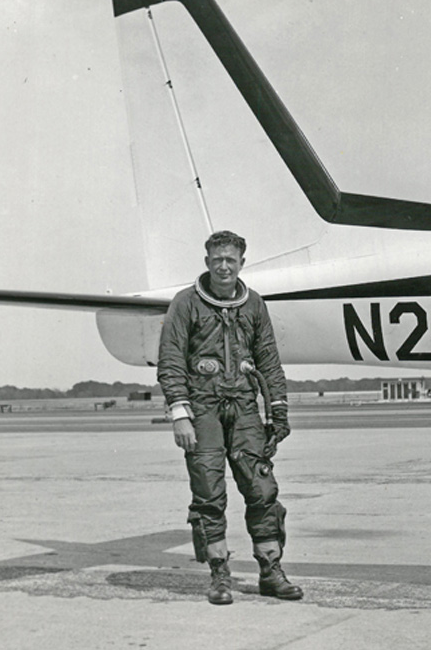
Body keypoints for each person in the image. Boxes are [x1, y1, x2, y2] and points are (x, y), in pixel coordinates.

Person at [157, 230, 303, 605]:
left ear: (241, 263)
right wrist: (179, 413)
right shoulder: (185, 303)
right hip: (202, 408)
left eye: (231, 260)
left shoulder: (253, 305)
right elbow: (170, 360)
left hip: (244, 408)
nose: (224, 266)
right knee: (208, 493)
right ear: (207, 261)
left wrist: (278, 410)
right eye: (217, 259)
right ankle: (219, 574)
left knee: (262, 490)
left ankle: (271, 571)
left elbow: (268, 359)